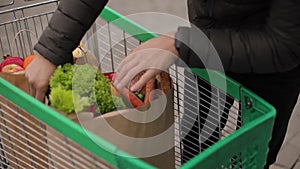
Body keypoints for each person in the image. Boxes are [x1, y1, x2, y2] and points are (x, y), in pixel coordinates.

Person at [25, 0, 300, 168]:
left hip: (273, 62)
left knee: (255, 156)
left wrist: (180, 43)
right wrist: (52, 49)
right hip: (205, 40)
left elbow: (284, 45)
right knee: (196, 146)